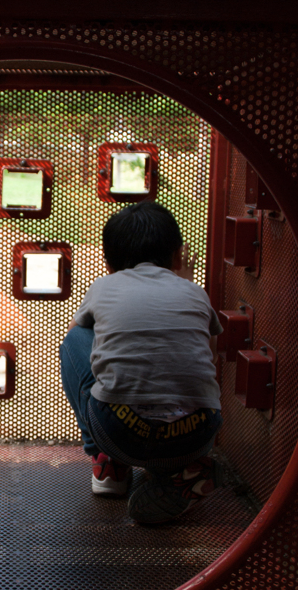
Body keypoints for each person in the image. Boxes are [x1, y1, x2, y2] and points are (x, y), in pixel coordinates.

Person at [59, 202, 224, 525]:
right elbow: (211, 353)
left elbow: (80, 341)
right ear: (177, 255)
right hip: (195, 438)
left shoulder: (104, 286)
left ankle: (108, 463)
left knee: (75, 339)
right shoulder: (194, 292)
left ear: (109, 263)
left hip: (121, 436)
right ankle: (175, 475)